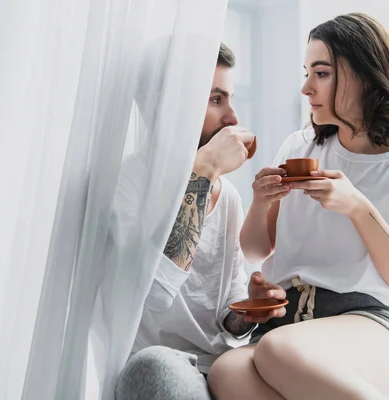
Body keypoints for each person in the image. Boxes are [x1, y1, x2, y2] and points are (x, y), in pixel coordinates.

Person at [208, 13, 389, 400]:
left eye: (321, 73)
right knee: (227, 372)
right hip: (285, 323)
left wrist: (359, 208)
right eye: (306, 72)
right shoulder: (300, 148)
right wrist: (261, 203)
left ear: (364, 75)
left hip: (368, 328)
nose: (306, 88)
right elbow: (256, 250)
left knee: (279, 351)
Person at [113, 43, 286, 400]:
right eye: (216, 99)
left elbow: (226, 312)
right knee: (153, 369)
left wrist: (248, 311)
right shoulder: (125, 184)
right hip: (166, 366)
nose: (233, 119)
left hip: (225, 367)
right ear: (167, 105)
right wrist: (204, 171)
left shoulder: (230, 196)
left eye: (231, 99)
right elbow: (157, 293)